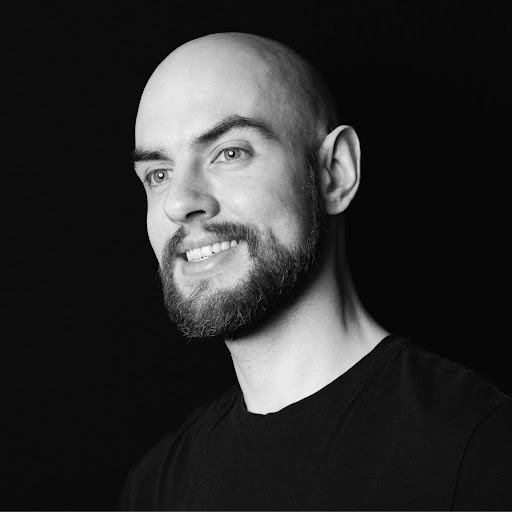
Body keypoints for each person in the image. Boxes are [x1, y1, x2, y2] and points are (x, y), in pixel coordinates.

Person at [120, 32, 512, 510]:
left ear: (335, 173)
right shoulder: (156, 488)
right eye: (158, 174)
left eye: (229, 152)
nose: (179, 202)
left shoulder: (481, 450)